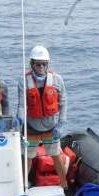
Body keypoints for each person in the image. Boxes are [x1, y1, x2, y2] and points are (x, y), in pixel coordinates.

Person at [17, 44, 68, 188]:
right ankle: (23, 186)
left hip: (51, 128)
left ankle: (65, 185)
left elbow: (63, 102)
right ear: (32, 64)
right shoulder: (24, 81)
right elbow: (22, 105)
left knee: (56, 156)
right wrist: (19, 121)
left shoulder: (57, 80)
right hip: (31, 127)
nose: (41, 68)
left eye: (44, 65)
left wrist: (61, 124)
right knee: (28, 157)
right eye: (38, 64)